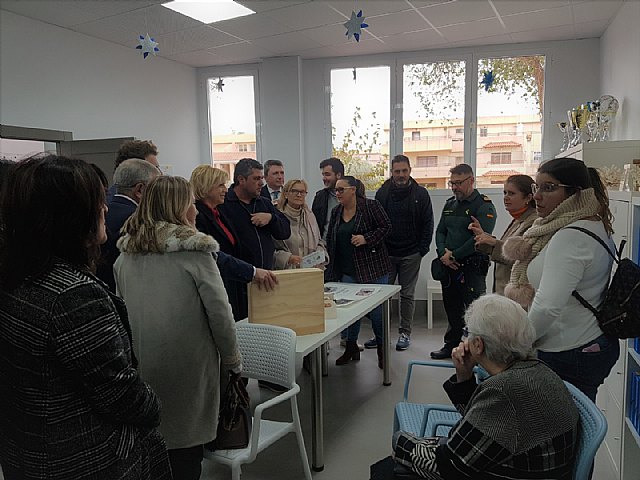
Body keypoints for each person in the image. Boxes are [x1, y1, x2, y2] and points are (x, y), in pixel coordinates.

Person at [0, 155, 171, 480]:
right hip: (87, 457)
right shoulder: (73, 296)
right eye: (96, 201)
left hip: (30, 452)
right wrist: (154, 405)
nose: (105, 208)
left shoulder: (18, 275)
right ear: (68, 216)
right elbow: (119, 393)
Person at [114, 175, 242, 480]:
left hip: (142, 366)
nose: (195, 210)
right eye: (190, 202)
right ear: (178, 207)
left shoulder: (126, 255)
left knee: (155, 448)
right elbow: (220, 314)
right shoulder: (194, 253)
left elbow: (120, 313)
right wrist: (233, 360)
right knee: (186, 452)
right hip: (188, 366)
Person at [392, 294, 579, 479]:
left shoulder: (503, 391)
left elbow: (452, 465)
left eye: (468, 333)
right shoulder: (537, 371)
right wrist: (464, 376)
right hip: (531, 469)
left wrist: (400, 440)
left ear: (478, 345)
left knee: (392, 466)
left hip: (505, 473)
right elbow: (482, 427)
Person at [503, 157, 619, 402]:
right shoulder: (592, 223)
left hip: (569, 349)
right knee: (574, 419)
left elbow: (547, 306)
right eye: (536, 187)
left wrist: (517, 346)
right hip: (588, 341)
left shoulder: (570, 236)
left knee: (558, 423)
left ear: (576, 194)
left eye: (549, 188)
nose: (537, 196)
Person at [189, 164, 278, 320]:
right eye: (220, 185)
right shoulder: (199, 216)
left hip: (234, 283)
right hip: (217, 285)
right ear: (206, 187)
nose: (225, 190)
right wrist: (251, 271)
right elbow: (212, 255)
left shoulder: (218, 212)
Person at [431, 164, 496, 360]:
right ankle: (451, 345)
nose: (454, 187)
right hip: (448, 266)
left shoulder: (484, 206)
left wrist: (454, 255)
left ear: (471, 180)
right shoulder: (450, 204)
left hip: (471, 267)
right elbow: (440, 231)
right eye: (452, 183)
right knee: (452, 307)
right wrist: (443, 254)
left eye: (459, 183)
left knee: (474, 309)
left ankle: (476, 351)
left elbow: (479, 238)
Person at [326, 176, 392, 368]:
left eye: (341, 190)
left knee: (377, 314)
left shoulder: (371, 206)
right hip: (348, 270)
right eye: (336, 190)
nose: (337, 193)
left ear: (353, 190)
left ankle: (382, 349)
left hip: (373, 269)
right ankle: (351, 346)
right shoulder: (336, 211)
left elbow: (386, 227)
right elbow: (331, 238)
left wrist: (366, 238)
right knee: (350, 311)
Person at [373, 155, 434, 351]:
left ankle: (404, 333)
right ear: (391, 172)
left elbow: (428, 223)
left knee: (407, 295)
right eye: (397, 171)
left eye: (404, 171)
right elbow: (376, 223)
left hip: (411, 253)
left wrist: (422, 249)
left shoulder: (421, 194)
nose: (401, 175)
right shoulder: (382, 193)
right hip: (386, 253)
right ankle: (380, 334)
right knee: (382, 295)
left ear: (410, 171)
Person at [219, 158, 291, 319]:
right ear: (241, 180)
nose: (261, 183)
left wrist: (271, 218)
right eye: (256, 179)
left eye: (262, 178)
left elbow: (285, 232)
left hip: (265, 280)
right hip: (237, 283)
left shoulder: (263, 203)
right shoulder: (224, 205)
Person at [96, 158, 160, 292]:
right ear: (140, 190)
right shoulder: (140, 221)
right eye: (156, 189)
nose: (160, 195)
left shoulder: (102, 213)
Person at [468, 174, 536, 295]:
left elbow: (523, 257)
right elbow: (504, 250)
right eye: (505, 193)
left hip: (517, 294)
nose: (506, 198)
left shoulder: (533, 221)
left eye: (511, 193)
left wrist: (493, 242)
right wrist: (483, 237)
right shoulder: (518, 220)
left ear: (528, 197)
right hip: (505, 291)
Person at [274, 178, 328, 270]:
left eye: (302, 192)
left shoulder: (309, 216)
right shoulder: (277, 217)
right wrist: (288, 258)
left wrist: (320, 255)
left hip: (310, 270)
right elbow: (270, 249)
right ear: (286, 194)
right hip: (287, 271)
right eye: (294, 191)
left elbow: (319, 241)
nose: (299, 195)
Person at [312, 157, 344, 240]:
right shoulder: (320, 197)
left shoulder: (353, 196)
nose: (324, 178)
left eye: (327, 174)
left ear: (338, 175)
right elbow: (314, 223)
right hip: (324, 244)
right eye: (323, 175)